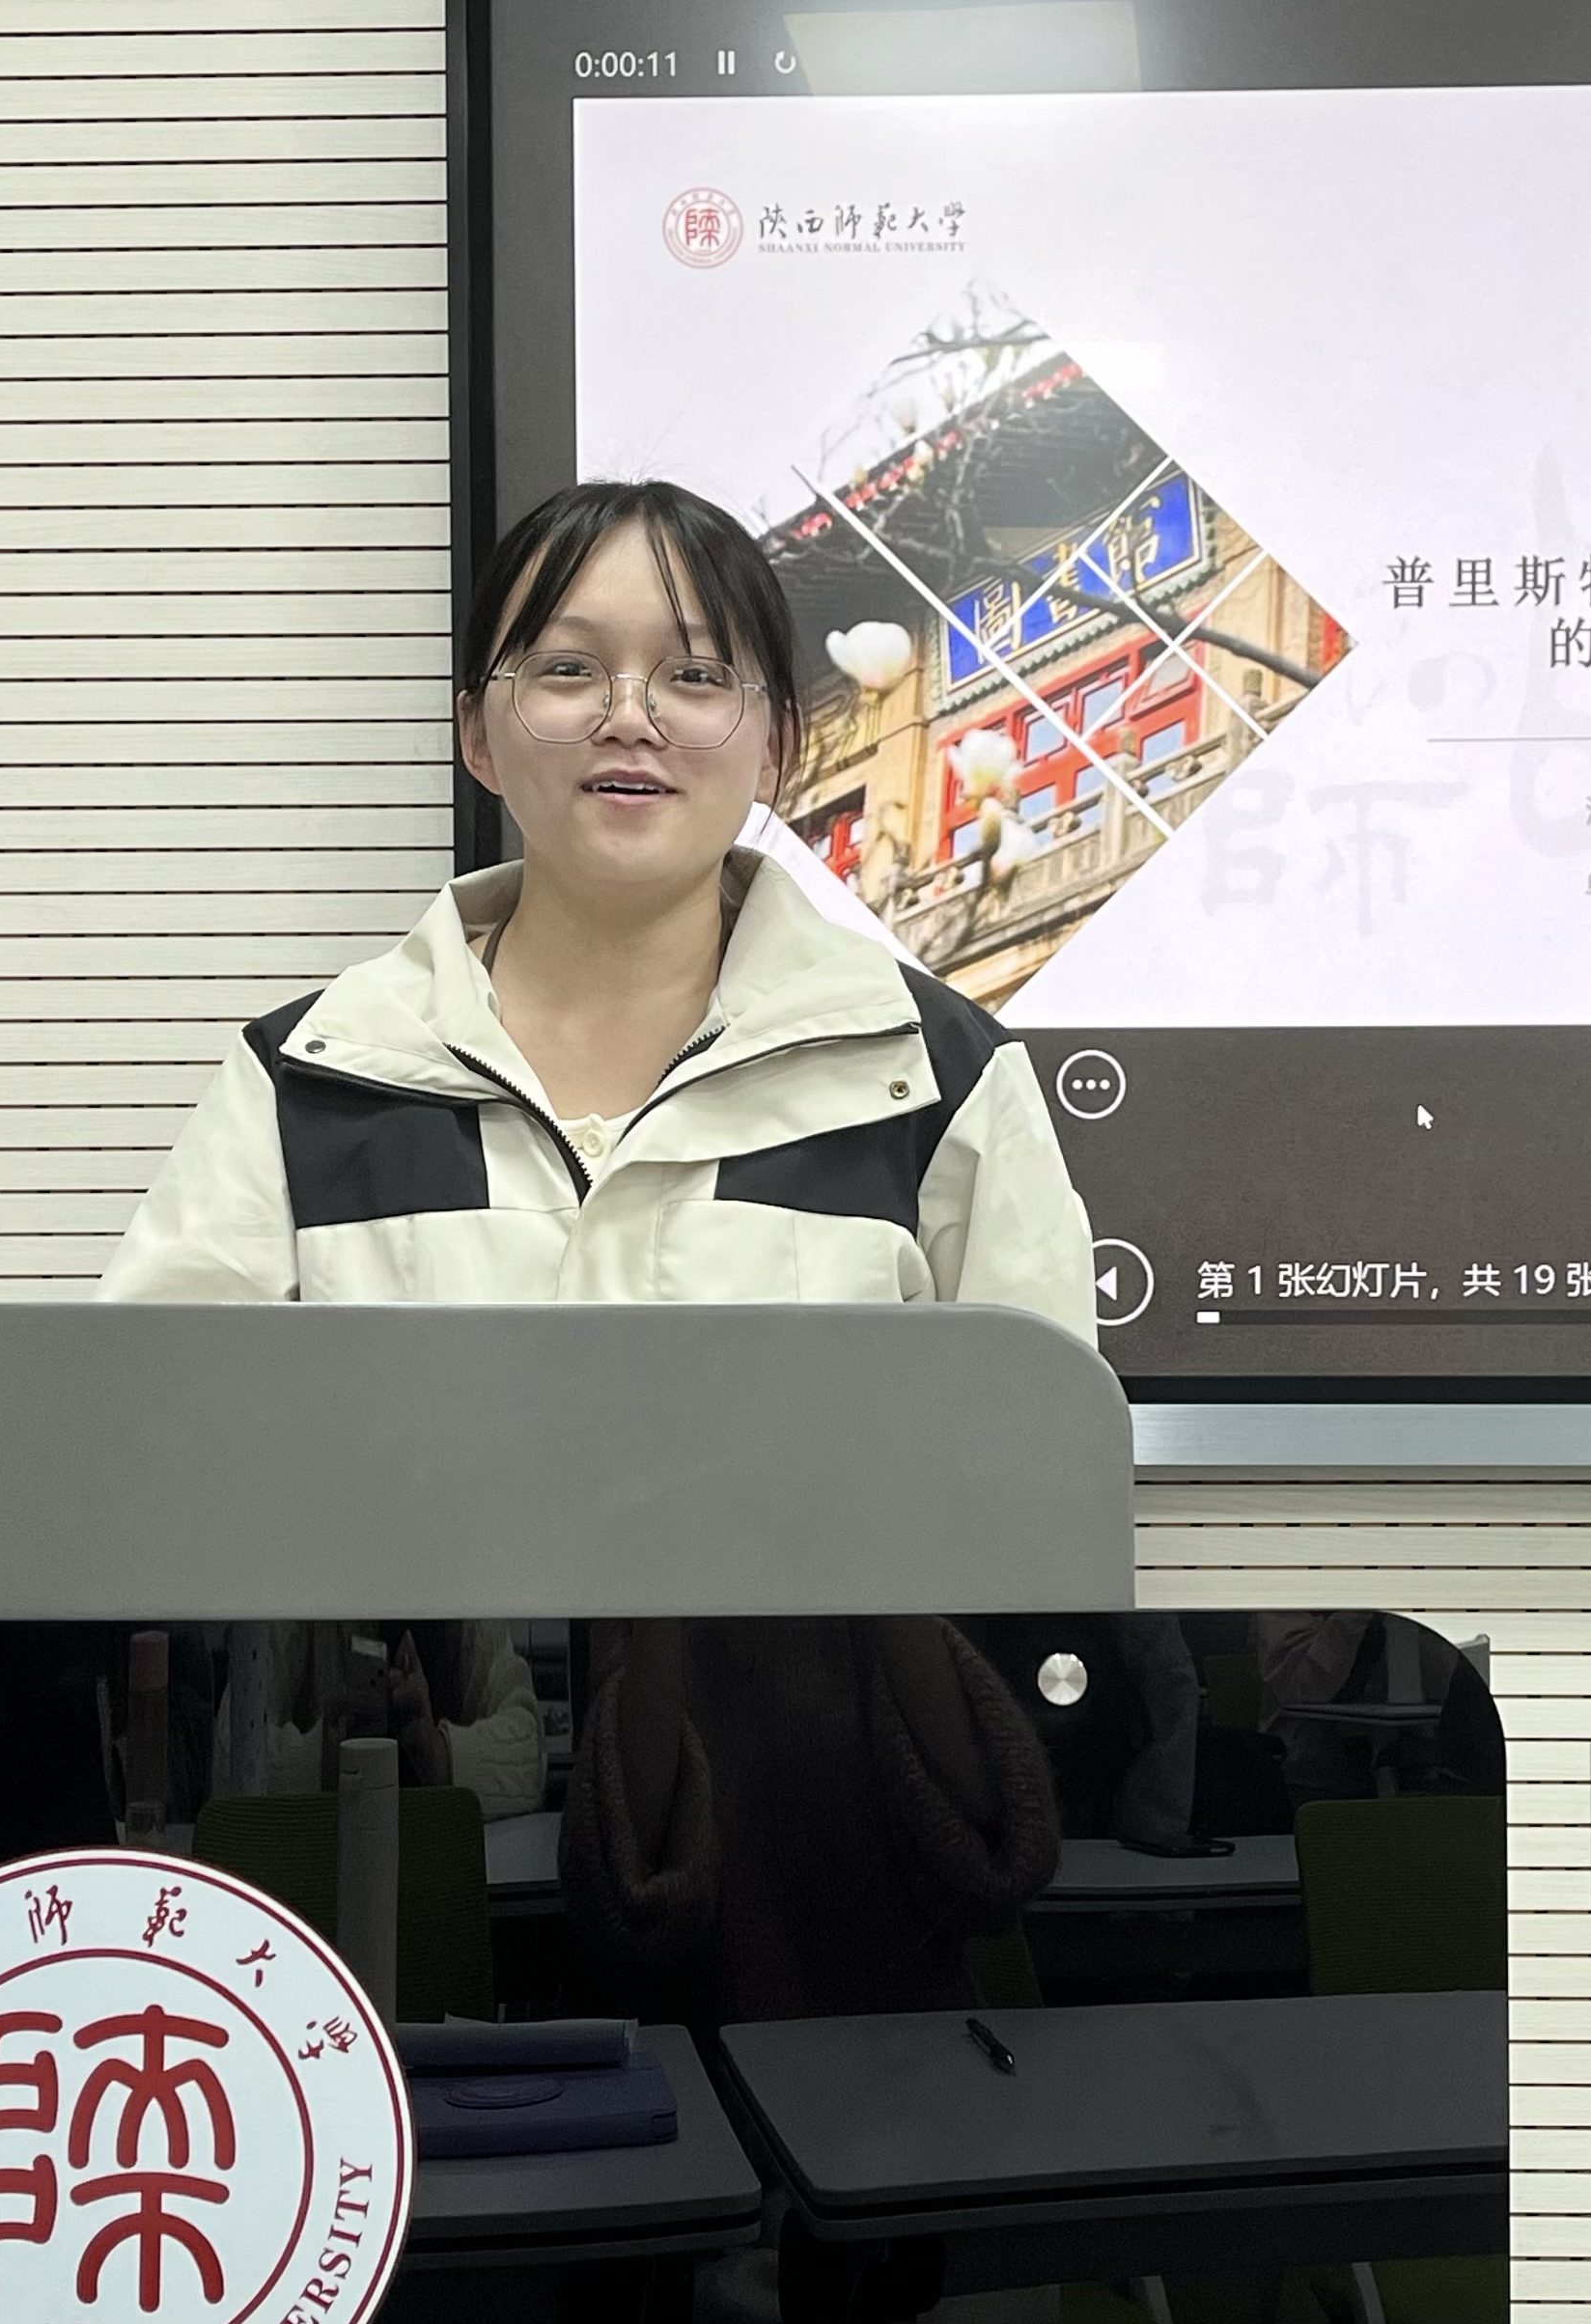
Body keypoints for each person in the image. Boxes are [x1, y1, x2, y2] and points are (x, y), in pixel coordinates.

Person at [101, 478, 1094, 2030]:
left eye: (694, 673)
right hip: (390, 1876)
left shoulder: (937, 1078)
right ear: (476, 733)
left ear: (774, 742)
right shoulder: (305, 1082)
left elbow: (1043, 1515)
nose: (630, 715)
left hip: (819, 1884)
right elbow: (142, 1485)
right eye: (567, 668)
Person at [208, 1618, 546, 1819]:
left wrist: (436, 1753)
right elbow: (228, 1761)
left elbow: (529, 1751)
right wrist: (327, 1760)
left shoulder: (464, 1598)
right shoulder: (295, 1594)